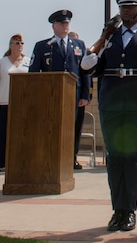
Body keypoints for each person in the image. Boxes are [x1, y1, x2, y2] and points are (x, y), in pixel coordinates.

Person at [81, 0, 137, 233]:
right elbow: (90, 68)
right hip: (111, 103)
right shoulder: (109, 37)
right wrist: (96, 48)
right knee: (114, 157)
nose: (125, 11)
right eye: (122, 7)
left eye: (130, 7)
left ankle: (129, 210)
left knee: (131, 157)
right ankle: (117, 210)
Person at [29, 9, 91, 170]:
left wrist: (85, 95)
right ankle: (51, 156)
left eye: (67, 23)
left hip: (75, 95)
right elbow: (33, 73)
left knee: (74, 128)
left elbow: (85, 72)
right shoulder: (43, 46)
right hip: (51, 95)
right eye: (61, 23)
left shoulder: (79, 45)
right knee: (52, 127)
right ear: (54, 26)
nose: (65, 26)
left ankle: (72, 157)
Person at [0, 34, 28, 170]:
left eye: (22, 43)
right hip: (4, 102)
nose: (20, 46)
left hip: (22, 103)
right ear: (11, 45)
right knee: (3, 133)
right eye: (17, 43)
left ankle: (19, 160)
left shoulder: (28, 61)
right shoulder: (2, 62)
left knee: (20, 133)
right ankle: (2, 162)